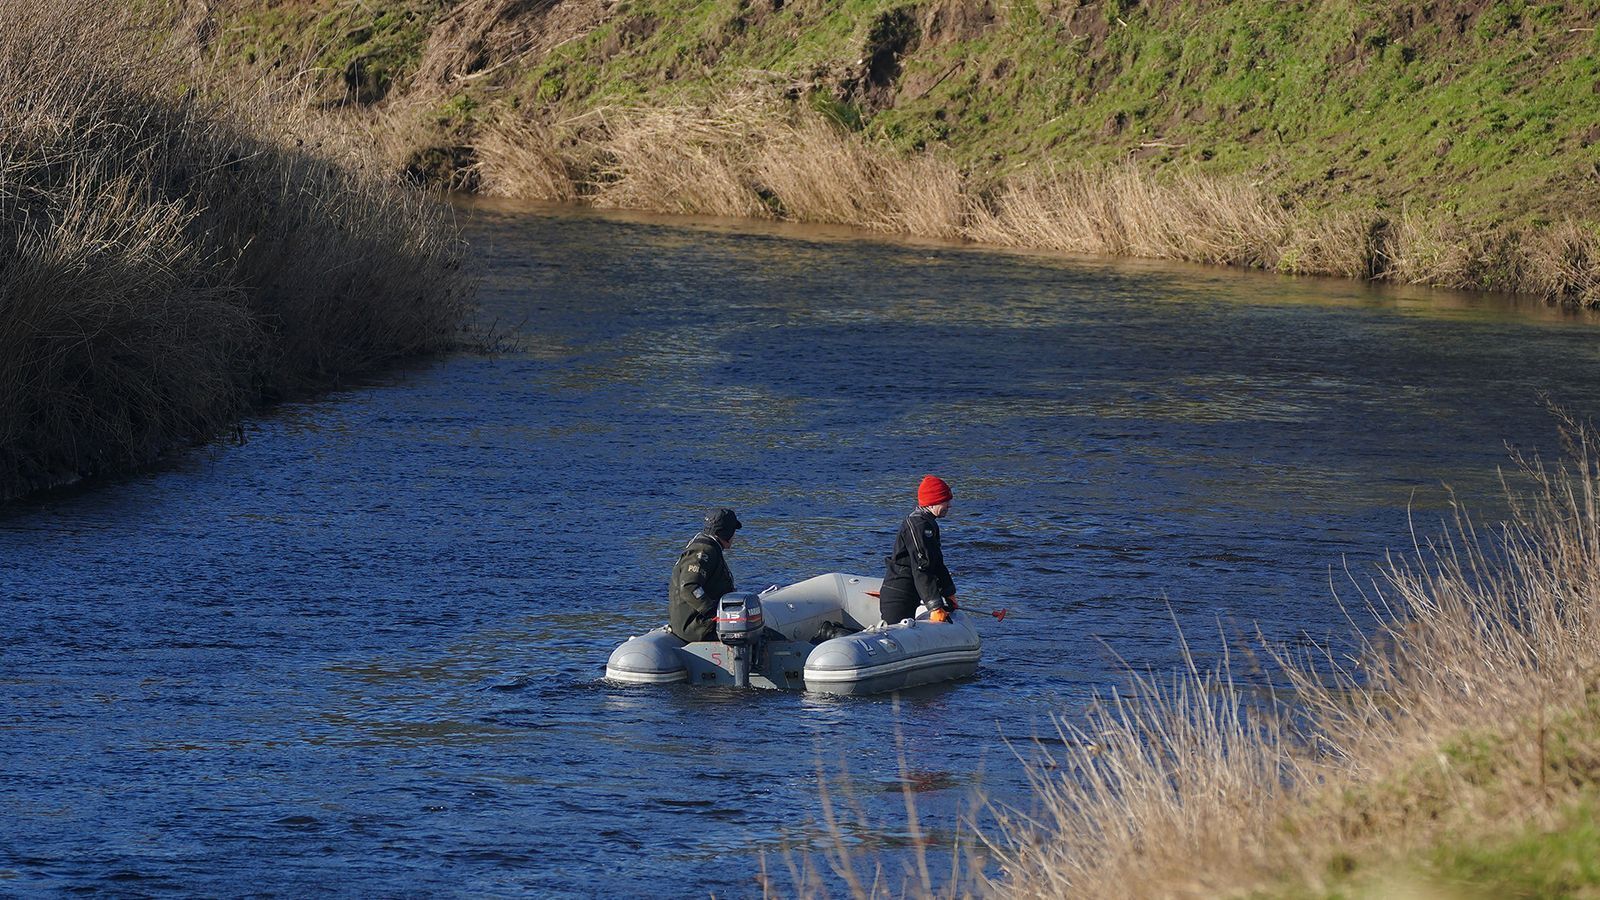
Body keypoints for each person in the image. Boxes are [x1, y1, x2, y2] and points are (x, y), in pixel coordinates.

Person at [878, 475, 958, 625]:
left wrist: (949, 593)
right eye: (945, 500)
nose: (949, 505)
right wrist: (935, 607)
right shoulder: (917, 525)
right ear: (933, 501)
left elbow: (938, 564)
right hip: (899, 594)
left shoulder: (929, 524)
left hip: (913, 592)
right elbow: (922, 566)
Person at [668, 507, 741, 642]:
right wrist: (714, 613)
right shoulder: (703, 551)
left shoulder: (711, 548)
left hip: (701, 624)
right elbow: (690, 587)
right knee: (759, 637)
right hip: (697, 626)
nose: (734, 536)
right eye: (733, 531)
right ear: (726, 532)